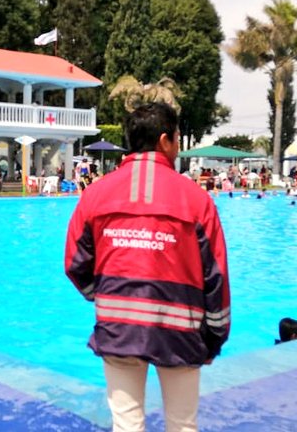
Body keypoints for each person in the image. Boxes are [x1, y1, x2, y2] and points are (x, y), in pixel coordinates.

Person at [65, 103, 230, 431]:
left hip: (118, 327)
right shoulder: (196, 199)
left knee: (126, 423)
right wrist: (214, 339)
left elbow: (74, 263)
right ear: (166, 140)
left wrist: (104, 294)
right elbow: (216, 277)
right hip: (180, 331)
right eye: (178, 138)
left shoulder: (95, 195)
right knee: (182, 424)